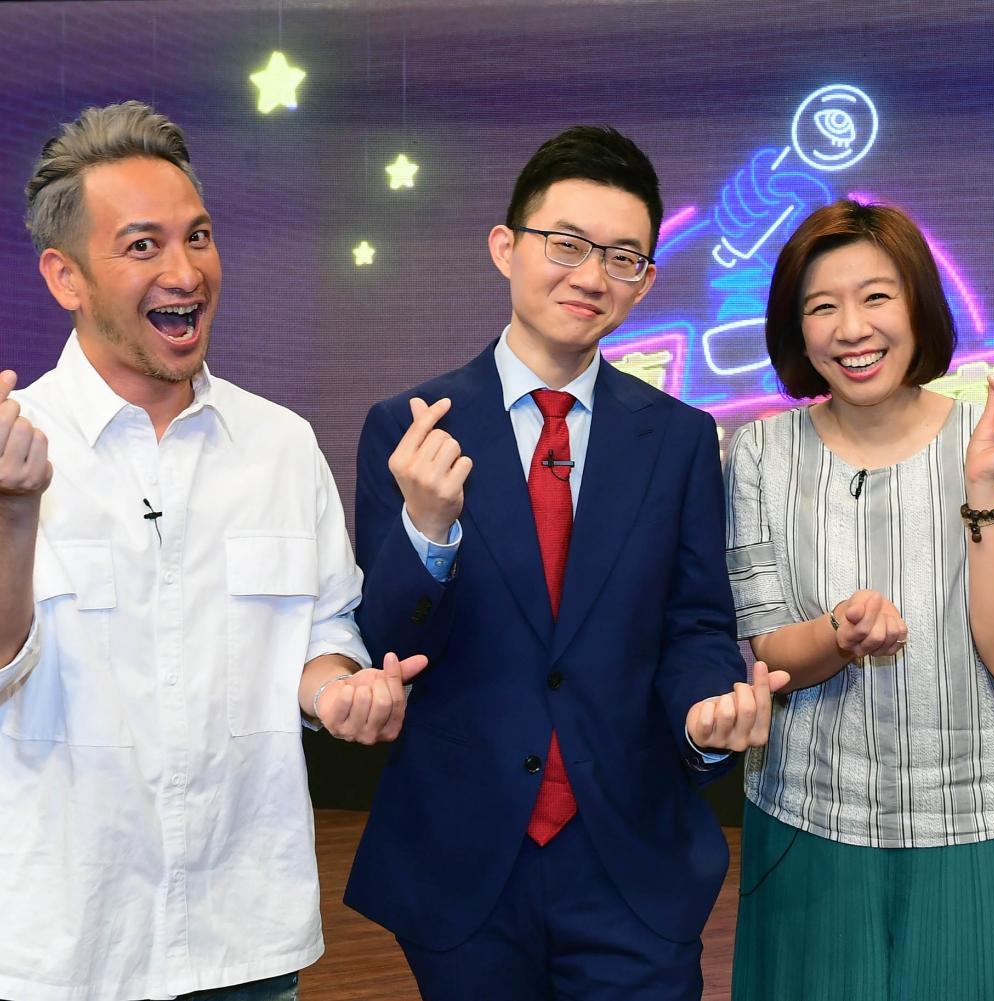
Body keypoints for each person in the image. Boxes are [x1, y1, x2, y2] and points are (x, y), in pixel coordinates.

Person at [0, 101, 421, 1001]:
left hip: (242, 932)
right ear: (65, 276)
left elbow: (323, 629)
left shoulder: (281, 444)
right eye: (143, 246)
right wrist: (9, 506)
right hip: (62, 937)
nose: (186, 271)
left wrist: (337, 689)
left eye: (198, 236)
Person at [343, 125, 789, 1001]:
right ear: (505, 247)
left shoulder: (681, 440)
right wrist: (428, 525)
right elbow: (388, 641)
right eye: (567, 244)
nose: (591, 276)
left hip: (628, 857)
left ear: (646, 281)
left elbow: (695, 623)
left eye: (622, 257)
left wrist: (703, 714)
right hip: (465, 858)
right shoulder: (410, 426)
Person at [723, 199, 994, 1000]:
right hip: (810, 820)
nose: (852, 328)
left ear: (918, 304)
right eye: (822, 306)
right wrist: (840, 633)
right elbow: (771, 647)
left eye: (876, 297)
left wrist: (982, 486)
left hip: (985, 819)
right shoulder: (758, 453)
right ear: (796, 329)